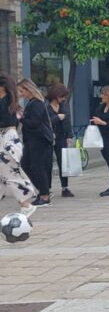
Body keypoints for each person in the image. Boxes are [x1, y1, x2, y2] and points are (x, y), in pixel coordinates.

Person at [0, 75, 37, 217]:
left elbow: (7, 122)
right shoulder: (8, 101)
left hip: (7, 141)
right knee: (7, 174)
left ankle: (25, 205)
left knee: (9, 174)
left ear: (2, 87)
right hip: (7, 139)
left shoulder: (7, 102)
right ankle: (25, 204)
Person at [17, 80, 54, 206]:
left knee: (37, 167)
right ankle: (43, 191)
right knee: (26, 165)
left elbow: (34, 123)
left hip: (39, 140)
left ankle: (44, 195)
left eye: (22, 91)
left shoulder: (37, 103)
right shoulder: (32, 103)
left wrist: (21, 118)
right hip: (32, 140)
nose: (21, 94)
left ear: (29, 90)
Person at [47, 84, 74, 198]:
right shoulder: (46, 108)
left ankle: (65, 188)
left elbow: (67, 120)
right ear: (55, 96)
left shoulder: (64, 106)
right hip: (48, 137)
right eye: (62, 96)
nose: (63, 99)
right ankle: (47, 189)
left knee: (63, 162)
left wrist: (69, 136)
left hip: (61, 137)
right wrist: (57, 118)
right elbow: (45, 122)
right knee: (47, 163)